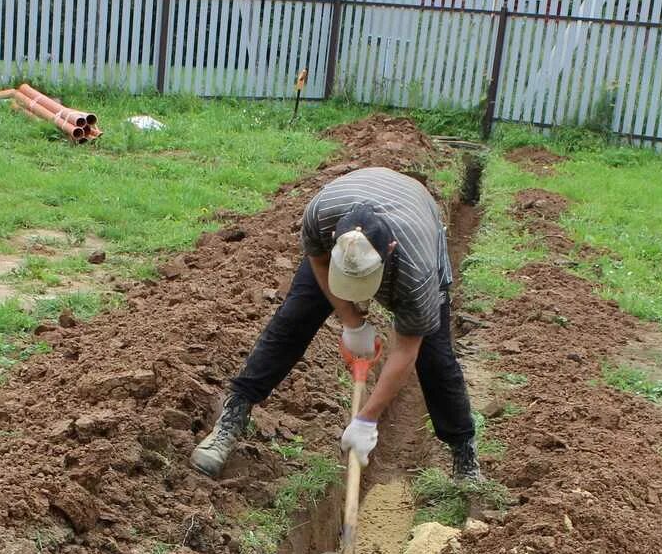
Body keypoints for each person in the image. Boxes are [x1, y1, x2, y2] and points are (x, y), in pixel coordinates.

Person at [190, 167, 478, 482]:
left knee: (435, 358)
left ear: (389, 252)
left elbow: (406, 350)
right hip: (352, 206)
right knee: (293, 320)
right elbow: (317, 259)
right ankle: (232, 417)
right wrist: (352, 322)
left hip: (416, 214)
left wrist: (368, 419)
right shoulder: (320, 215)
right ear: (334, 239)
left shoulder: (416, 269)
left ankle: (463, 452)